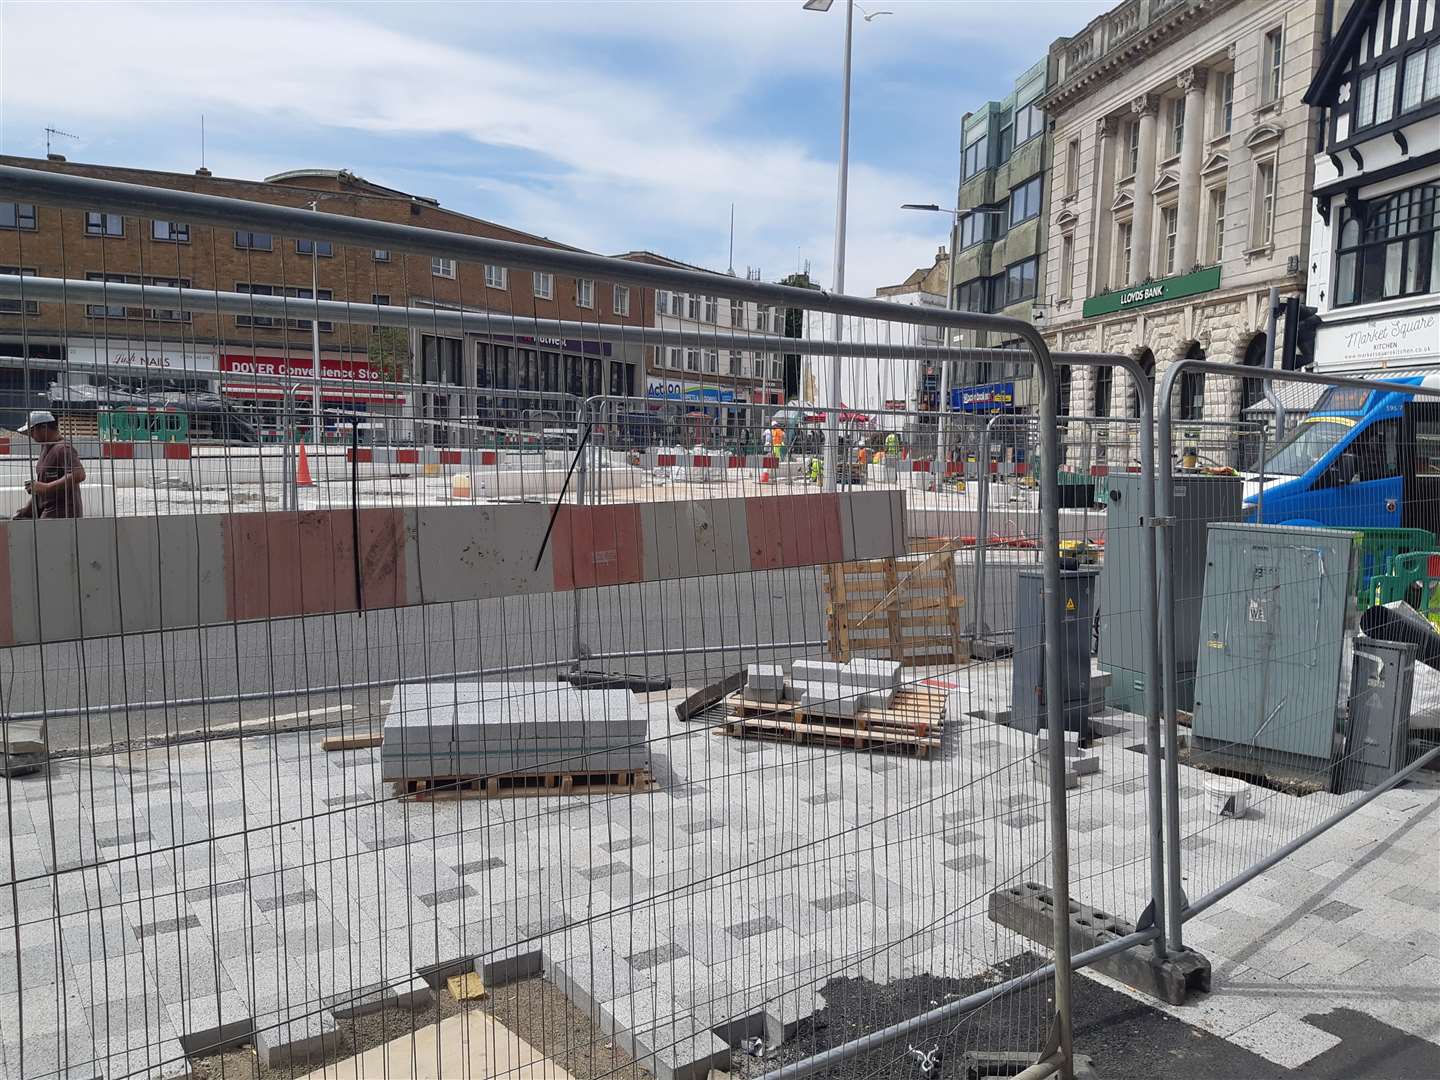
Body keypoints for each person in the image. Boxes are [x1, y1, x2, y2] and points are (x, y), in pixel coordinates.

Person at [12, 410, 85, 519]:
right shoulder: (45, 447)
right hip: (48, 512)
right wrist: (27, 510)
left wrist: (46, 487)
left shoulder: (63, 448)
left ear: (44, 427)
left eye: (32, 431)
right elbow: (41, 486)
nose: (31, 436)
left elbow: (78, 474)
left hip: (63, 515)